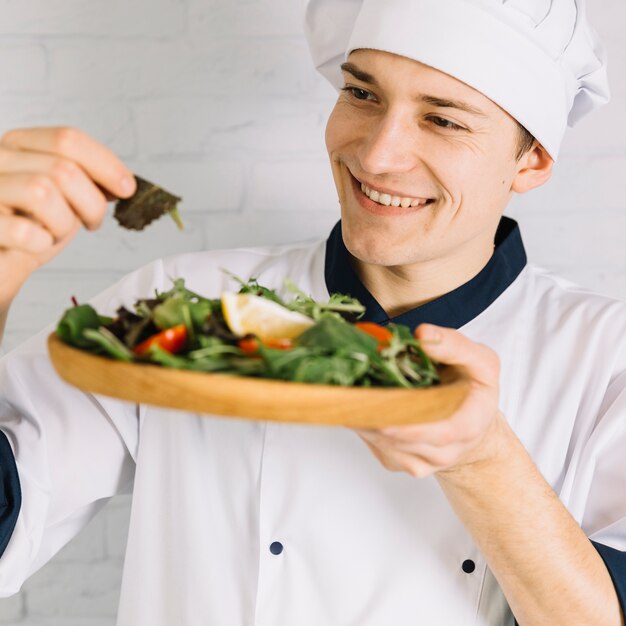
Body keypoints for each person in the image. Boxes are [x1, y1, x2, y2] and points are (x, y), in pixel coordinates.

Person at [1, 0, 625, 624]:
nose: (378, 156)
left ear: (532, 159)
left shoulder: (604, 359)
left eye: (443, 120)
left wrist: (481, 457)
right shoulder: (180, 308)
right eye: (362, 92)